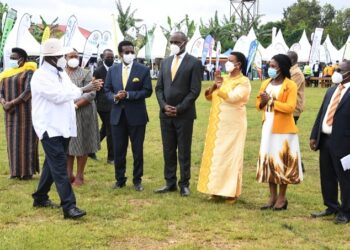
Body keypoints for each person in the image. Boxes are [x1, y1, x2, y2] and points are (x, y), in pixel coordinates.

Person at [31, 38, 103, 219]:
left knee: (52, 162)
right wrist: (84, 89)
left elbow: (71, 89)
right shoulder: (40, 76)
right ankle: (69, 207)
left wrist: (87, 88)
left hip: (63, 126)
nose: (64, 57)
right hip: (49, 127)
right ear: (52, 57)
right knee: (60, 168)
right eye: (61, 55)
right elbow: (58, 96)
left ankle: (40, 197)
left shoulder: (60, 73)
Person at [197, 52, 251, 203]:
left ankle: (231, 192)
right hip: (218, 124)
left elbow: (234, 98)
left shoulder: (244, 81)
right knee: (217, 156)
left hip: (233, 126)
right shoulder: (224, 79)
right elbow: (209, 96)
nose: (226, 63)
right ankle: (215, 189)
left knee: (231, 157)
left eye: (230, 61)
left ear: (238, 64)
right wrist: (215, 84)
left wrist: (220, 88)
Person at [154, 31, 202, 196]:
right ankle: (170, 182)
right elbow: (159, 88)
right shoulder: (165, 62)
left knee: (183, 149)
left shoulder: (194, 63)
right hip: (165, 114)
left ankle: (184, 184)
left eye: (176, 41)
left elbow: (194, 90)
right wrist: (163, 105)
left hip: (184, 115)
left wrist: (180, 108)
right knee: (168, 149)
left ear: (185, 42)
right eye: (171, 41)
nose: (173, 44)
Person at [256, 54, 303, 210]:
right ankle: (272, 197)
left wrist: (271, 101)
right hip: (268, 125)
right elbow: (258, 105)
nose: (270, 69)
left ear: (282, 67)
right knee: (269, 160)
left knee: (282, 162)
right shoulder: (265, 83)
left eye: (273, 66)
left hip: (283, 129)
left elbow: (290, 107)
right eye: (269, 66)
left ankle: (282, 198)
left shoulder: (290, 85)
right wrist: (263, 102)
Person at [104, 40, 152, 191]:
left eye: (132, 52)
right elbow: (106, 90)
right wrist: (115, 97)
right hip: (118, 116)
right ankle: (120, 179)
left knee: (137, 150)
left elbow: (147, 91)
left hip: (137, 116)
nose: (130, 54)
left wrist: (130, 95)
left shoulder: (142, 70)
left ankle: (137, 180)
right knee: (119, 149)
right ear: (120, 54)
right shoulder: (113, 70)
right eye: (127, 52)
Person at [310, 60, 350, 224]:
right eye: (336, 69)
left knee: (345, 178)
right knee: (327, 175)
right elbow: (321, 114)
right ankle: (331, 205)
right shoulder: (331, 90)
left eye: (340, 70)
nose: (336, 72)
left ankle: (346, 211)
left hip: (344, 142)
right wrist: (314, 135)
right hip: (325, 139)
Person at [0, 47, 39, 179]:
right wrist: (3, 101)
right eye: (10, 58)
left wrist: (13, 102)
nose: (12, 60)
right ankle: (15, 172)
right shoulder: (7, 73)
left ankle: (26, 172)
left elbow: (29, 91)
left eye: (14, 58)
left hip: (25, 112)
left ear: (22, 58)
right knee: (12, 142)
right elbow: (1, 90)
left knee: (26, 141)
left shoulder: (29, 71)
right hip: (10, 113)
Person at [65, 49, 100, 186]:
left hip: (83, 111)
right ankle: (68, 174)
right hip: (65, 113)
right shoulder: (61, 73)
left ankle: (80, 176)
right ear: (65, 57)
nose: (74, 58)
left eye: (76, 56)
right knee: (68, 144)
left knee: (82, 143)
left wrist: (75, 105)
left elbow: (91, 94)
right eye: (71, 56)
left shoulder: (86, 73)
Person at [93, 49, 115, 164]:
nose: (110, 59)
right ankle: (111, 157)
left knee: (105, 130)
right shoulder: (98, 71)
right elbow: (96, 90)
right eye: (108, 57)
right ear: (103, 57)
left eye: (112, 57)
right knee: (110, 129)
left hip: (113, 103)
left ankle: (91, 149)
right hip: (103, 105)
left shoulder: (115, 69)